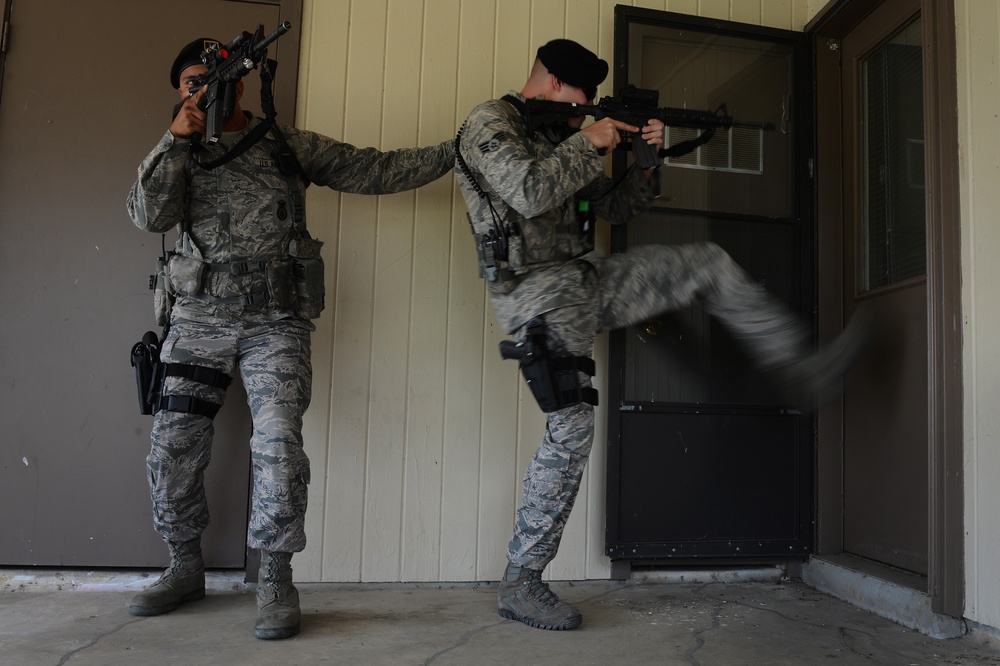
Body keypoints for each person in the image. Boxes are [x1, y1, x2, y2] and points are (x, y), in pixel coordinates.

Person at [454, 39, 866, 631]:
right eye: (581, 96)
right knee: (572, 428)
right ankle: (523, 580)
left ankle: (802, 369)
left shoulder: (560, 135)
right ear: (550, 84)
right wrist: (589, 140)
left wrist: (647, 165)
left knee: (708, 262)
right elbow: (525, 190)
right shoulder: (491, 124)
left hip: (586, 277)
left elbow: (611, 210)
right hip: (536, 293)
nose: (587, 107)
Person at [126, 37, 454, 640]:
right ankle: (184, 565)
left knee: (278, 448)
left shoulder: (285, 144)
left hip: (275, 323)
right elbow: (149, 217)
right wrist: (176, 139)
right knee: (173, 447)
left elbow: (374, 168)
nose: (204, 88)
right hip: (199, 321)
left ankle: (275, 577)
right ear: (180, 90)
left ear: (242, 83)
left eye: (216, 77)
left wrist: (455, 150)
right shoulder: (179, 149)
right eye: (193, 80)